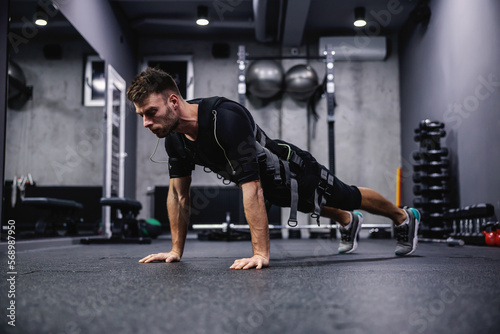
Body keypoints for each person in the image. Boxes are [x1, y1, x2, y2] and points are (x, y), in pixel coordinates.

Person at [127, 67, 420, 270]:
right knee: (307, 204)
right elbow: (179, 197)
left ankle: (403, 216)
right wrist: (175, 251)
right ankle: (347, 221)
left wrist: (260, 254)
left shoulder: (225, 118)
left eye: (151, 113)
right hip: (273, 188)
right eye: (141, 115)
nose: (146, 123)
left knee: (344, 194)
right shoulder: (175, 141)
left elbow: (252, 189)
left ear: (174, 101)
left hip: (293, 169)